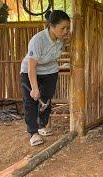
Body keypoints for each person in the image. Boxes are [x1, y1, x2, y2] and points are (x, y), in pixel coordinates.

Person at [20, 10, 70, 146]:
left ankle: (42, 126)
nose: (66, 31)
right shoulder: (38, 40)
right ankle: (33, 133)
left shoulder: (62, 39)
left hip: (50, 71)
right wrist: (34, 88)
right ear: (52, 26)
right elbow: (31, 67)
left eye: (68, 28)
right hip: (30, 71)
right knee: (31, 101)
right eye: (63, 28)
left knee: (46, 100)